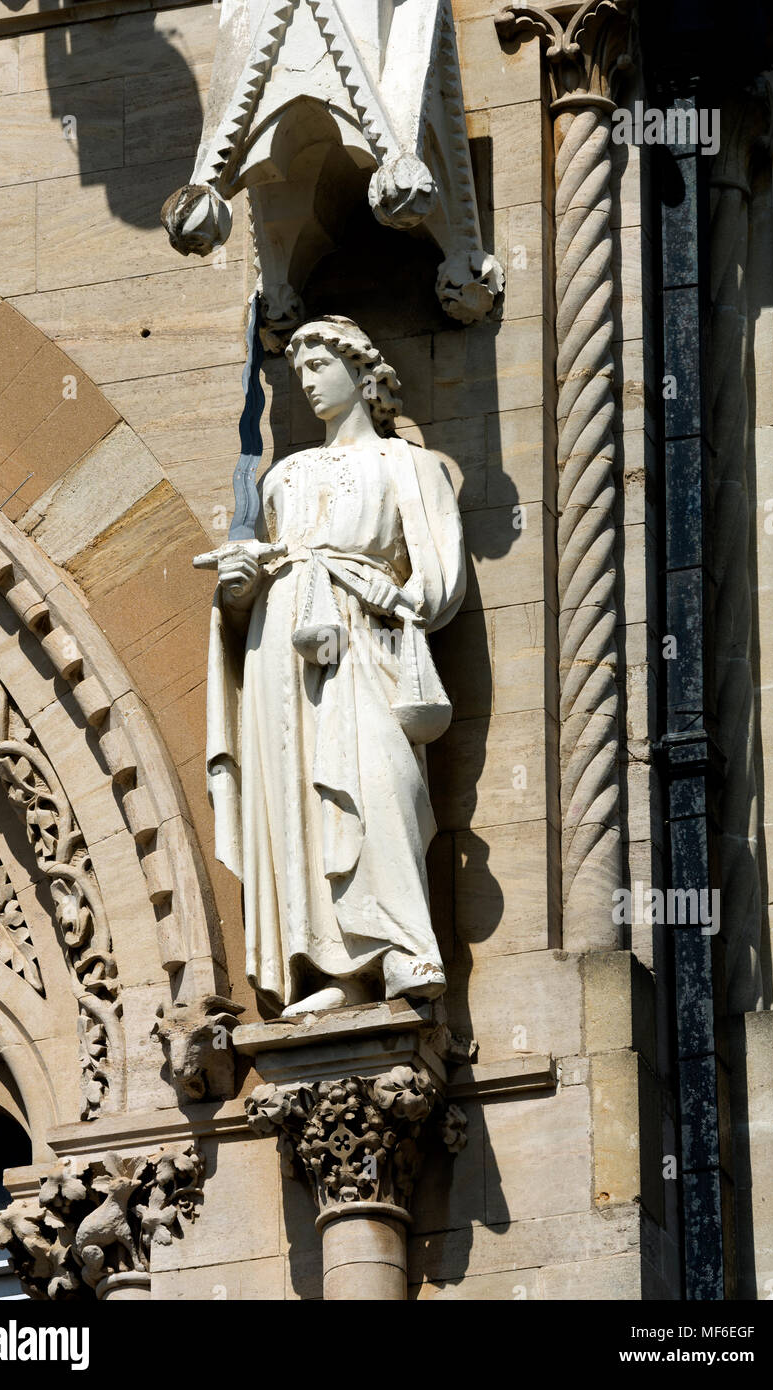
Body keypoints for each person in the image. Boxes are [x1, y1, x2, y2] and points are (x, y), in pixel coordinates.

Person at [205, 315, 465, 1016]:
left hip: (366, 641)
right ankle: (335, 972)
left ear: (361, 373)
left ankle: (404, 949)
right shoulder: (286, 475)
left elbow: (439, 580)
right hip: (280, 649)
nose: (309, 384)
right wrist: (238, 586)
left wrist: (398, 593)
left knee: (381, 780)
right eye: (300, 374)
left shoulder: (408, 466)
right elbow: (253, 587)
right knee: (297, 796)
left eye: (321, 368)